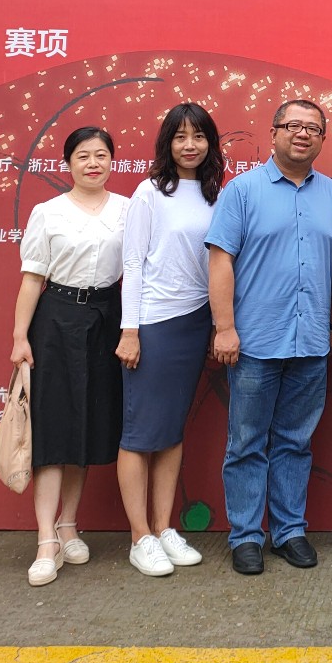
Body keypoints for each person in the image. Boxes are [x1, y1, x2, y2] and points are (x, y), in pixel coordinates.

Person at [206, 98, 332, 576]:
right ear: (274, 132)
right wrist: (225, 327)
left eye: (313, 128)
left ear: (322, 139)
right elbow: (220, 260)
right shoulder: (242, 191)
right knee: (246, 442)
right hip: (254, 341)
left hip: (311, 341)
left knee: (295, 442)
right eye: (293, 126)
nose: (302, 134)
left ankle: (289, 531)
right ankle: (246, 535)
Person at [9, 126, 131, 587]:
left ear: (112, 161)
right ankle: (46, 540)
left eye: (101, 155)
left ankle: (69, 525)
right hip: (56, 319)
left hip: (108, 317)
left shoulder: (128, 209)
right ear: (68, 164)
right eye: (83, 156)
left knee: (87, 425)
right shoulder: (48, 212)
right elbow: (32, 278)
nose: (93, 164)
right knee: (55, 427)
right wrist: (20, 337)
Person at [115, 103, 224, 577]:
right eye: (180, 137)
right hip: (154, 322)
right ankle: (139, 536)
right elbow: (133, 263)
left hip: (196, 321)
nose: (190, 146)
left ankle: (163, 528)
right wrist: (130, 330)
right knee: (141, 433)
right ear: (167, 143)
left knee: (172, 430)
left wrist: (218, 323)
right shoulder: (150, 193)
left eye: (198, 136)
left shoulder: (217, 193)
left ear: (210, 143)